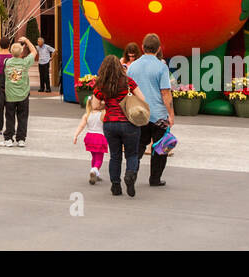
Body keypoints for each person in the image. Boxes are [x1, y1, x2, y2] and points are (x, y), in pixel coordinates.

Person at [93, 55, 149, 197]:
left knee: (115, 156)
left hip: (110, 124)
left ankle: (115, 186)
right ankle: (130, 175)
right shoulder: (128, 82)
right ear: (119, 66)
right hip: (129, 123)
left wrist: (107, 104)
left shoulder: (101, 84)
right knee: (132, 154)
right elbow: (143, 99)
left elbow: (95, 105)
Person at [126, 33, 176, 188]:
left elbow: (128, 89)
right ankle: (155, 178)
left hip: (139, 113)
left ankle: (132, 172)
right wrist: (171, 114)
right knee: (161, 147)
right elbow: (165, 92)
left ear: (142, 47)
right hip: (159, 115)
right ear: (159, 48)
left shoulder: (132, 66)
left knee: (138, 146)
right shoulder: (161, 67)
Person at [1, 35, 37, 148]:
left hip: (10, 95)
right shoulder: (25, 62)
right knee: (22, 117)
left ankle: (9, 139)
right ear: (21, 53)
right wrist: (26, 40)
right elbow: (34, 51)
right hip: (23, 95)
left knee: (10, 117)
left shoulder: (7, 62)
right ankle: (21, 139)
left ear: (11, 52)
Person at [72, 93, 107, 185]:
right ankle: (94, 170)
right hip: (100, 138)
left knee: (94, 156)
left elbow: (81, 126)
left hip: (90, 137)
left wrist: (76, 135)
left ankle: (95, 173)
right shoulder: (103, 114)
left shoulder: (87, 114)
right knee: (99, 158)